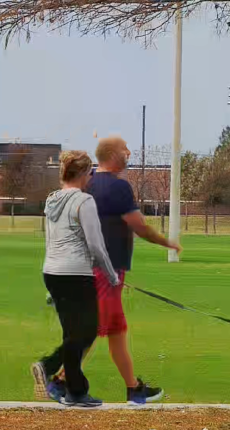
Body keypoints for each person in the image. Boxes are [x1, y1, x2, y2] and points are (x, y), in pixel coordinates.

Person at [83, 136, 180, 405]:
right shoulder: (118, 187)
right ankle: (60, 379)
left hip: (91, 267)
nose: (128, 153)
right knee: (94, 327)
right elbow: (139, 226)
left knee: (115, 330)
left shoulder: (86, 183)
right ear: (113, 155)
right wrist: (167, 242)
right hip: (108, 270)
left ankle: (133, 388)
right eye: (124, 149)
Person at [32, 150, 120, 408]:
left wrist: (52, 288)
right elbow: (95, 245)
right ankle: (64, 381)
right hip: (75, 273)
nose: (92, 176)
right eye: (90, 171)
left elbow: (50, 240)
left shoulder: (51, 200)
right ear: (82, 174)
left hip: (52, 272)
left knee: (74, 332)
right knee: (86, 331)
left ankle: (70, 386)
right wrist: (112, 276)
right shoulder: (85, 201)